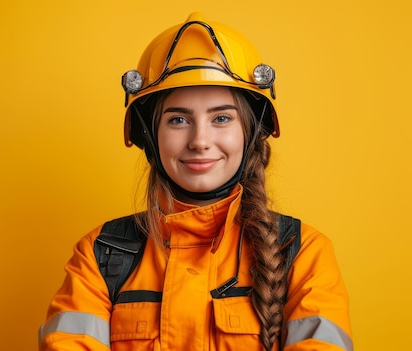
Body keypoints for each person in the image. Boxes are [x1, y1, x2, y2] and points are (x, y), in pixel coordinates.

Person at [38, 12, 353, 351]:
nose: (200, 140)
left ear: (251, 133)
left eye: (221, 117)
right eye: (177, 119)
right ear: (148, 135)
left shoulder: (303, 253)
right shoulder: (98, 256)